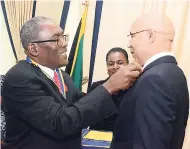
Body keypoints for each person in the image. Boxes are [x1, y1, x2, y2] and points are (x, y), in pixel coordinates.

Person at [1, 16, 142, 149]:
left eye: (63, 37)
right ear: (34, 49)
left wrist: (120, 90)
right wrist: (109, 86)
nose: (65, 43)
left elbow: (79, 106)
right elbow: (60, 123)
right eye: (57, 39)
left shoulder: (62, 76)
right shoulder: (19, 78)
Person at [110, 13, 189, 149]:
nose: (129, 43)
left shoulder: (154, 80)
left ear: (150, 35)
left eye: (132, 36)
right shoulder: (174, 73)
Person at [88, 47, 129, 131]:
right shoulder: (97, 87)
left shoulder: (135, 87)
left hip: (125, 138)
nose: (115, 67)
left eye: (120, 63)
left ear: (127, 65)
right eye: (111, 64)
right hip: (99, 138)